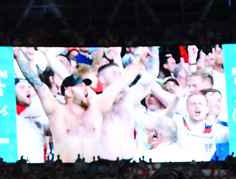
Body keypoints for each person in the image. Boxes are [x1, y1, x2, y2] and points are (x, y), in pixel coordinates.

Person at [13, 47, 144, 163]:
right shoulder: (56, 111)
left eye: (86, 84)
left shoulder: (96, 108)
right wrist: (19, 57)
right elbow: (38, 86)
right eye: (81, 85)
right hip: (65, 173)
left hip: (97, 172)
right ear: (69, 92)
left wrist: (140, 63)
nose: (86, 88)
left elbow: (119, 84)